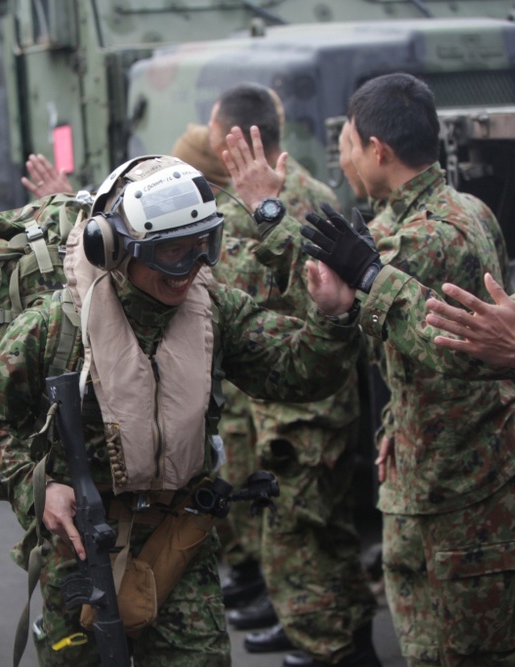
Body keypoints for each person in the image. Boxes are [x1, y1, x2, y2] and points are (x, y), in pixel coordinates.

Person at [0, 154, 363, 666]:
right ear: (116, 248)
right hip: (81, 556)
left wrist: (333, 320)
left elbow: (297, 371)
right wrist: (33, 490)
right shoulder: (58, 325)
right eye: (170, 253)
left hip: (180, 541)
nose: (188, 269)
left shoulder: (214, 311)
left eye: (202, 247)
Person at [245, 72, 515, 665]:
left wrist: (269, 215)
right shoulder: (466, 208)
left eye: (347, 146)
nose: (345, 160)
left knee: (470, 648)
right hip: (440, 458)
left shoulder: (426, 235)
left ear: (378, 150)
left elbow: (327, 298)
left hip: (457, 482)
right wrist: (393, 429)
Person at [205, 84, 377, 667]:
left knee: (297, 535)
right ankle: (337, 636)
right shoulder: (314, 189)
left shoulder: (258, 207)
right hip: (314, 395)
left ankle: (327, 641)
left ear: (232, 135)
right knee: (324, 530)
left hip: (293, 405)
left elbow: (244, 306)